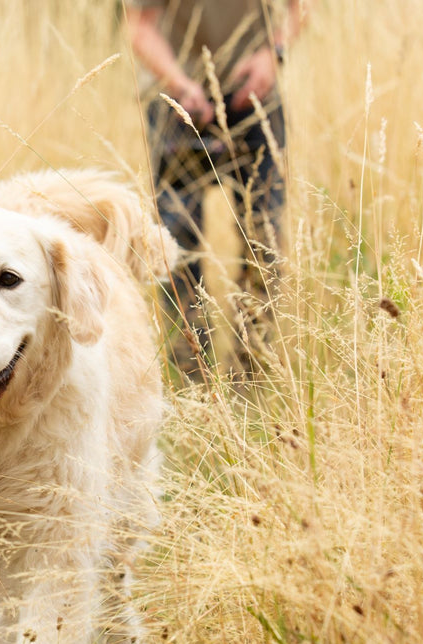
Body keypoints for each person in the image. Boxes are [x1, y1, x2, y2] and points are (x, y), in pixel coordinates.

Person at [124, 0, 305, 382]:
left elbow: (299, 9)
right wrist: (179, 84)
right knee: (176, 245)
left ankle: (252, 373)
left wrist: (273, 56)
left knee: (265, 237)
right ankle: (193, 375)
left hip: (255, 98)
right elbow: (140, 27)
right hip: (177, 103)